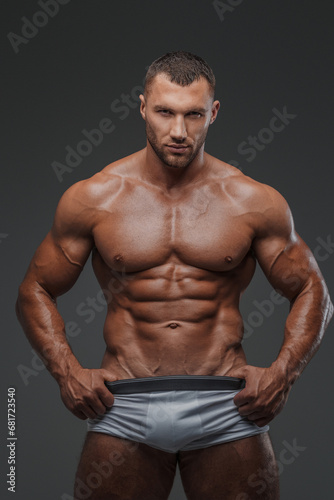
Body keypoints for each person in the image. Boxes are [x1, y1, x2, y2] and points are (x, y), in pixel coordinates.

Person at [16, 51, 332, 500]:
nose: (179, 131)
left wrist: (284, 373)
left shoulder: (252, 200)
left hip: (226, 405)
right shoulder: (95, 197)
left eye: (193, 115)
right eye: (165, 112)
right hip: (125, 404)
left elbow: (311, 288)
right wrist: (66, 371)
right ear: (143, 106)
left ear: (213, 113)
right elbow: (34, 289)